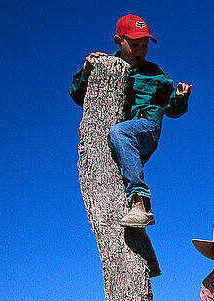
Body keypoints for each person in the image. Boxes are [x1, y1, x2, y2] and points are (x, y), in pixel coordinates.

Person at [69, 14, 191, 228]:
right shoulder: (103, 64)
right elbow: (78, 96)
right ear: (119, 41)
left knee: (120, 132)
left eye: (144, 45)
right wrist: (87, 69)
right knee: (118, 136)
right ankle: (130, 205)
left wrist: (180, 97)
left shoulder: (156, 74)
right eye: (134, 45)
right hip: (120, 141)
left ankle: (139, 201)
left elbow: (171, 110)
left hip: (145, 129)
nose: (140, 51)